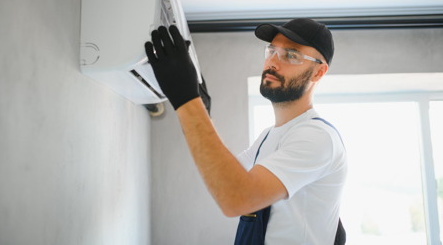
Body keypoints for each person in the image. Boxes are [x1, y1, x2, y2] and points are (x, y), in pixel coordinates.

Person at [144, 18, 348, 245]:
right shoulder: (269, 136)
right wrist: (201, 112)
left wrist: (187, 100)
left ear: (318, 72)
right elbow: (223, 181)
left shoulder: (317, 137)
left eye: (291, 55)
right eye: (271, 51)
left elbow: (237, 198)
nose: (273, 62)